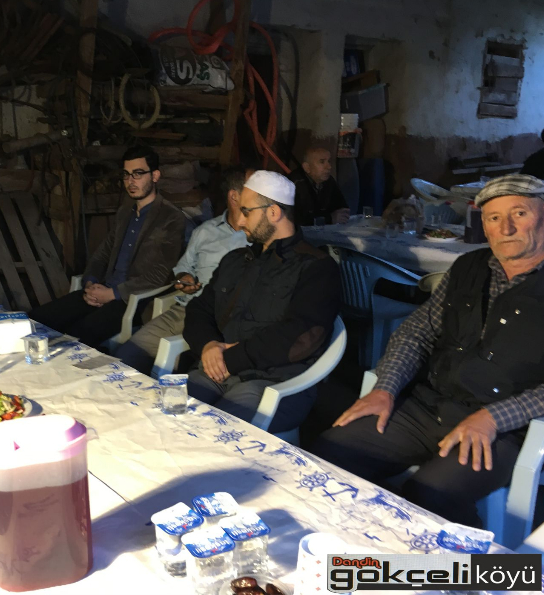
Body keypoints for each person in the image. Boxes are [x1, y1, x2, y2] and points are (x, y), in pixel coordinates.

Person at [312, 174, 544, 526]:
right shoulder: (467, 267)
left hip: (508, 428)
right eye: (494, 218)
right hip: (431, 406)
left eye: (519, 213)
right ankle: (364, 541)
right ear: (484, 225)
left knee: (431, 494)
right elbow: (417, 331)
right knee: (330, 454)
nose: (506, 228)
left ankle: (468, 561)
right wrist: (385, 387)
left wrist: (494, 417)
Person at [183, 170, 343, 432]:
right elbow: (199, 309)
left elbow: (300, 335)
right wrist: (208, 345)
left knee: (214, 431)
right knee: (166, 415)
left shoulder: (316, 268)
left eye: (246, 212)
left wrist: (232, 358)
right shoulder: (236, 261)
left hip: (275, 383)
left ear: (274, 212)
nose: (239, 220)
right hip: (216, 372)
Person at [30, 146, 185, 348]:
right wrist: (90, 283)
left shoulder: (171, 217)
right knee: (35, 320)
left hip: (132, 300)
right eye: (126, 175)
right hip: (102, 289)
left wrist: (112, 294)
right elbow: (101, 254)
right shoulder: (125, 212)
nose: (130, 181)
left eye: (138, 174)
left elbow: (162, 274)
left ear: (155, 176)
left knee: (76, 338)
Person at [116, 167, 251, 375]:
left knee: (171, 371)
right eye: (255, 189)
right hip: (187, 309)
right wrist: (184, 278)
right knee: (125, 357)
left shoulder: (262, 238)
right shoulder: (205, 231)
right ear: (234, 196)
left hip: (226, 318)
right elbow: (184, 267)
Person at [290, 147, 350, 226]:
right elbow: (297, 220)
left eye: (329, 161)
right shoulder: (294, 184)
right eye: (322, 162)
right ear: (307, 167)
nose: (329, 166)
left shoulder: (328, 180)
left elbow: (342, 208)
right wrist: (329, 218)